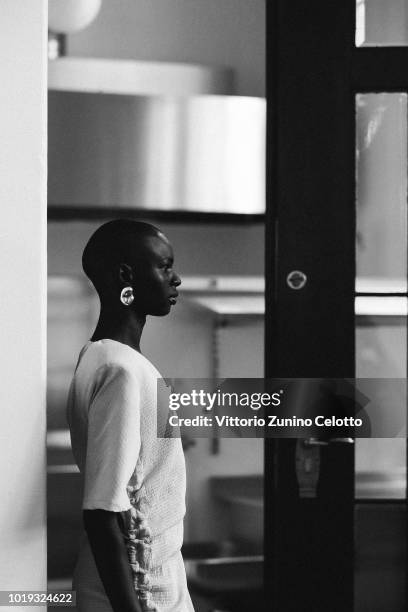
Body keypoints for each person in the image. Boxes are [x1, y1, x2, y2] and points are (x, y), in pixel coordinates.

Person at [66, 219, 194, 612]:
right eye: (165, 266)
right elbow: (103, 511)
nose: (177, 280)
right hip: (140, 590)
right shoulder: (118, 369)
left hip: (149, 580)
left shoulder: (107, 358)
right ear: (127, 276)